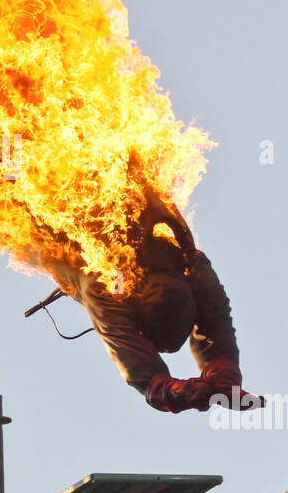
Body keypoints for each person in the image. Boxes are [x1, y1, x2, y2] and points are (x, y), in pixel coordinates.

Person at [45, 172, 263, 414]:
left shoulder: (184, 270)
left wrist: (219, 385)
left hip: (73, 210)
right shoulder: (185, 268)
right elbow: (140, 363)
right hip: (86, 196)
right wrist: (208, 386)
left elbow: (217, 335)